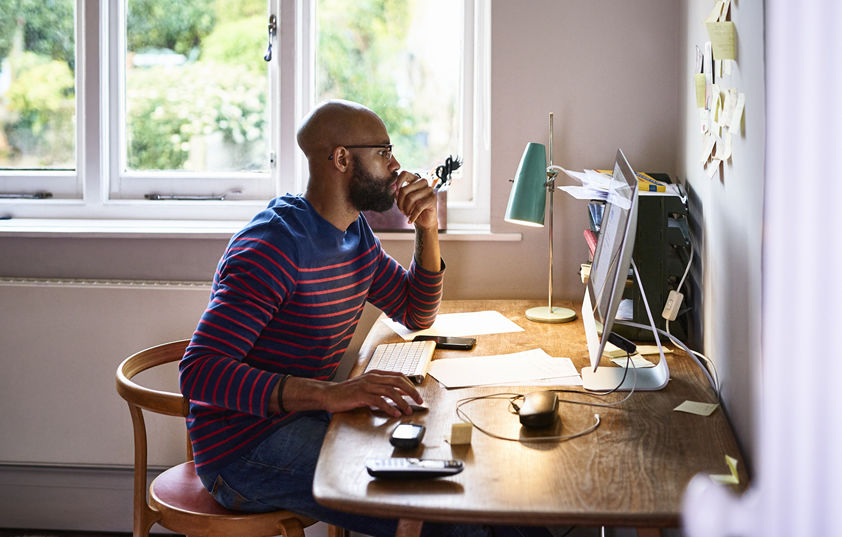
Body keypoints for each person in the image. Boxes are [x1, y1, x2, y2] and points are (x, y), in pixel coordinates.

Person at [179, 100, 513, 537]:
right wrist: (332, 395)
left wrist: (427, 228)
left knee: (482, 490)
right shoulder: (273, 247)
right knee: (447, 515)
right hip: (243, 451)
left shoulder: (354, 234)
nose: (396, 166)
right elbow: (199, 372)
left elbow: (416, 313)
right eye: (383, 151)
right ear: (341, 158)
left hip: (305, 419)